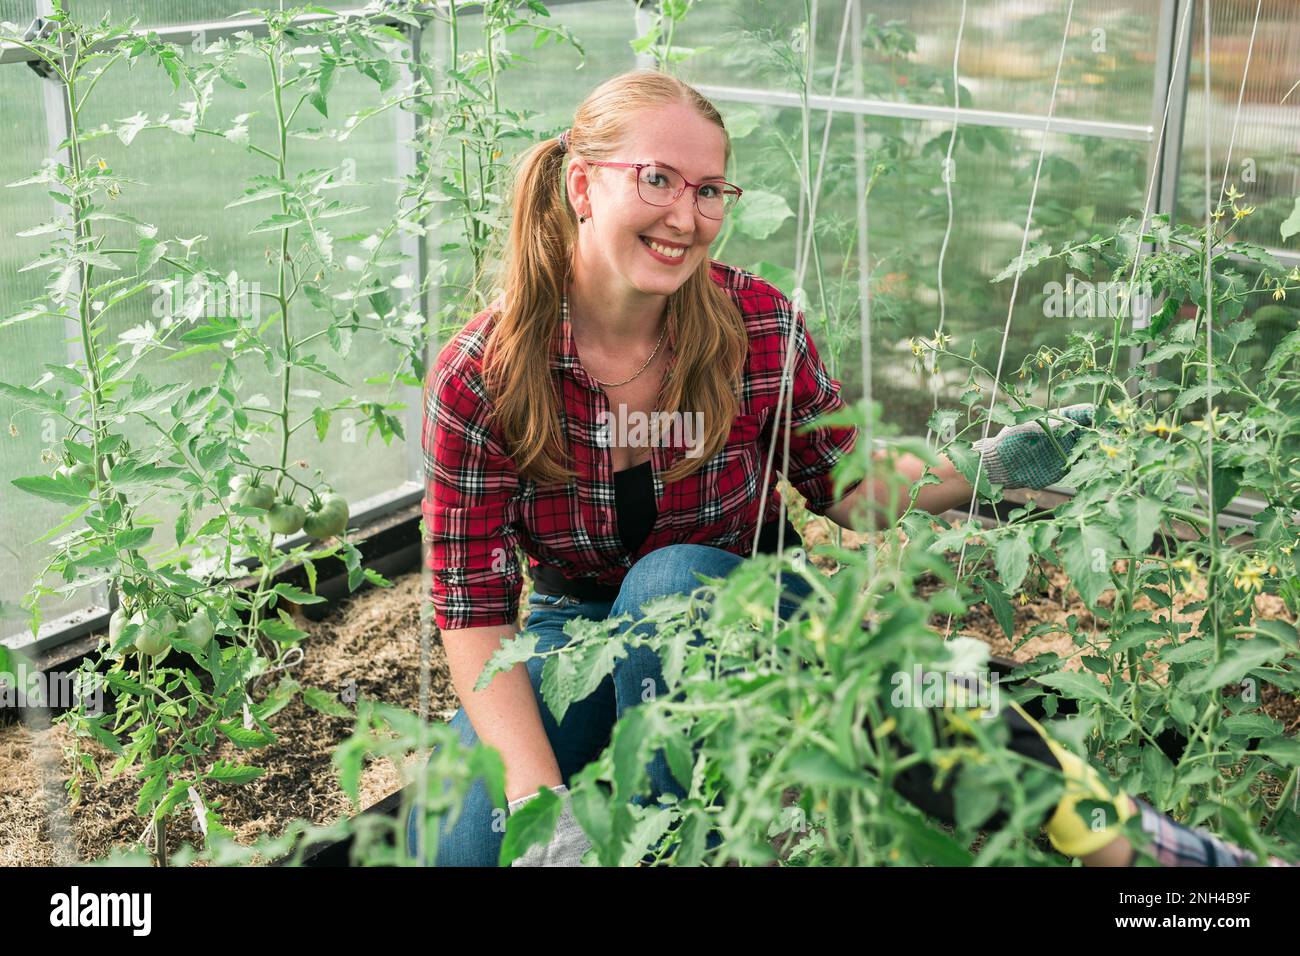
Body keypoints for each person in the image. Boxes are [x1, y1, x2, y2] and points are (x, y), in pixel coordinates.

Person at [412, 69, 1285, 868]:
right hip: (573, 632)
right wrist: (537, 807)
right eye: (658, 178)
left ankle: (1136, 851)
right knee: (452, 844)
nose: (687, 216)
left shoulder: (752, 323)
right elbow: (473, 605)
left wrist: (992, 461)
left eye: (710, 189)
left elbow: (852, 489)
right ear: (579, 184)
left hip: (742, 610)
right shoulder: (485, 374)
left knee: (671, 584)